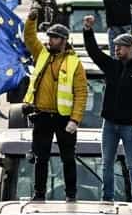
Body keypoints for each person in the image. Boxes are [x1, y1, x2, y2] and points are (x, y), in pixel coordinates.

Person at [82, 19, 132, 203]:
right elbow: (94, 53)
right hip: (109, 124)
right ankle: (107, 198)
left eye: (121, 47)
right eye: (115, 46)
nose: (117, 50)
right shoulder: (112, 66)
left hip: (129, 127)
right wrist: (88, 31)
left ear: (131, 48)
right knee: (106, 164)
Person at [23, 12, 87, 201]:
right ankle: (39, 194)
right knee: (40, 158)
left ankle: (71, 195)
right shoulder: (42, 54)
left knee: (68, 158)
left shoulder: (74, 63)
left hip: (64, 119)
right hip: (42, 115)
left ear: (64, 41)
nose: (50, 40)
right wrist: (32, 19)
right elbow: (29, 38)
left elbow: (81, 93)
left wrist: (75, 119)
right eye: (49, 37)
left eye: (55, 38)